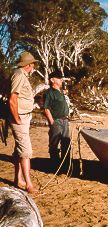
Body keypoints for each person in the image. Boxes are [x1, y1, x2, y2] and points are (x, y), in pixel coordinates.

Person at [9, 51, 38, 194]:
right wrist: (17, 118)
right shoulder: (19, 75)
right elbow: (12, 99)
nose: (33, 66)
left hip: (23, 117)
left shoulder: (21, 75)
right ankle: (28, 185)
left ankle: (18, 180)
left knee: (19, 151)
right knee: (26, 151)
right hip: (19, 117)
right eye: (32, 64)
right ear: (29, 65)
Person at [43, 70, 70, 168]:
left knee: (66, 143)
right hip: (56, 121)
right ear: (52, 80)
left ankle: (66, 165)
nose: (61, 79)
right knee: (54, 144)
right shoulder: (49, 93)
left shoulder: (60, 91)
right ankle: (55, 165)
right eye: (59, 78)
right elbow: (46, 109)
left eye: (61, 78)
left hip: (65, 120)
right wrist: (52, 123)